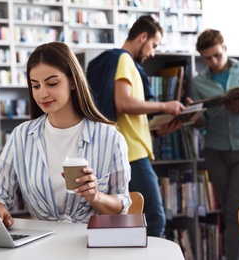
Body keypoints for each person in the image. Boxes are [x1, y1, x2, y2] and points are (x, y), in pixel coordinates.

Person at [0, 41, 131, 227]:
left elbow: (122, 205)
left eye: (52, 83)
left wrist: (95, 196)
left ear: (72, 81)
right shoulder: (20, 137)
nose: (42, 94)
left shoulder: (109, 137)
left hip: (90, 243)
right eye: (36, 86)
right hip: (42, 245)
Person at [87, 15, 185, 237]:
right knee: (155, 218)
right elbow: (124, 103)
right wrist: (166, 105)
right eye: (154, 45)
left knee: (127, 221)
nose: (153, 53)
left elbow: (127, 116)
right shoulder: (124, 60)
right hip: (132, 155)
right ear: (143, 37)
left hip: (127, 151)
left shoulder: (120, 62)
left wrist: (159, 130)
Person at [190, 29, 239, 260]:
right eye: (207, 58)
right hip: (216, 152)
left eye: (217, 55)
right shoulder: (197, 83)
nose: (213, 62)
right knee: (231, 212)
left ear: (225, 48)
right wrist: (193, 118)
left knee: (238, 210)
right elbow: (201, 122)